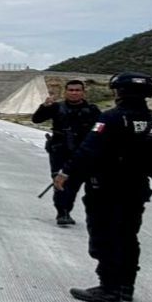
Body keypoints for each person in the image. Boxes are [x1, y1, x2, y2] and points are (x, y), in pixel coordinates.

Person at [54, 72, 152, 302]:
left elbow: (88, 152)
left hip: (107, 187)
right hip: (137, 187)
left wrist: (66, 173)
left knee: (105, 236)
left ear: (118, 92)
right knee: (128, 235)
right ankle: (126, 285)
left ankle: (109, 288)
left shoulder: (112, 119)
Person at [32, 79, 101, 225]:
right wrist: (44, 107)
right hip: (60, 150)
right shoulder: (56, 107)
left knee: (75, 183)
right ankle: (62, 212)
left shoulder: (92, 110)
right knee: (60, 182)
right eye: (71, 90)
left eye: (77, 90)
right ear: (65, 92)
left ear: (83, 92)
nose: (74, 93)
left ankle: (70, 210)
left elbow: (101, 130)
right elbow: (36, 119)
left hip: (82, 152)